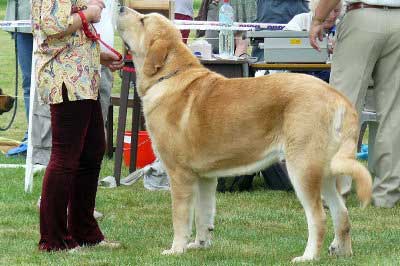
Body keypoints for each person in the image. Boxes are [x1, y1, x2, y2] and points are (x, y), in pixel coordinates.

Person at [31, 0, 124, 251]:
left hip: (84, 74)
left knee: (93, 149)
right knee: (65, 157)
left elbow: (72, 34)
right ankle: (53, 240)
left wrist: (99, 57)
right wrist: (89, 14)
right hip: (64, 76)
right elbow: (52, 25)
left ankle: (84, 232)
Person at [310, 0, 400, 208]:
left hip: (363, 15)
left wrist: (318, 19)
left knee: (342, 107)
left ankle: (336, 188)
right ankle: (387, 194)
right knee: (394, 112)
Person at [284, 0, 343, 83]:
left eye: (336, 11)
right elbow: (285, 41)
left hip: (331, 75)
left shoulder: (342, 24)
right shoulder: (301, 19)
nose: (332, 16)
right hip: (300, 74)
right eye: (328, 11)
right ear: (316, 10)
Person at [4, 0, 33, 154]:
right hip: (21, 20)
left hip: (54, 21)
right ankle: (31, 136)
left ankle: (50, 138)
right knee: (28, 83)